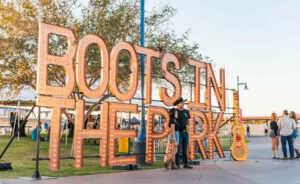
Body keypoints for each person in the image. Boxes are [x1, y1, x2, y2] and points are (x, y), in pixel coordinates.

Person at [172, 97, 193, 169]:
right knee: (178, 149)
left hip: (186, 132)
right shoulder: (175, 111)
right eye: (181, 103)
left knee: (185, 149)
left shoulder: (186, 111)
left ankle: (185, 163)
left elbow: (189, 120)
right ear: (177, 104)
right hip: (178, 132)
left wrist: (189, 126)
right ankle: (177, 164)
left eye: (183, 103)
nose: (182, 104)